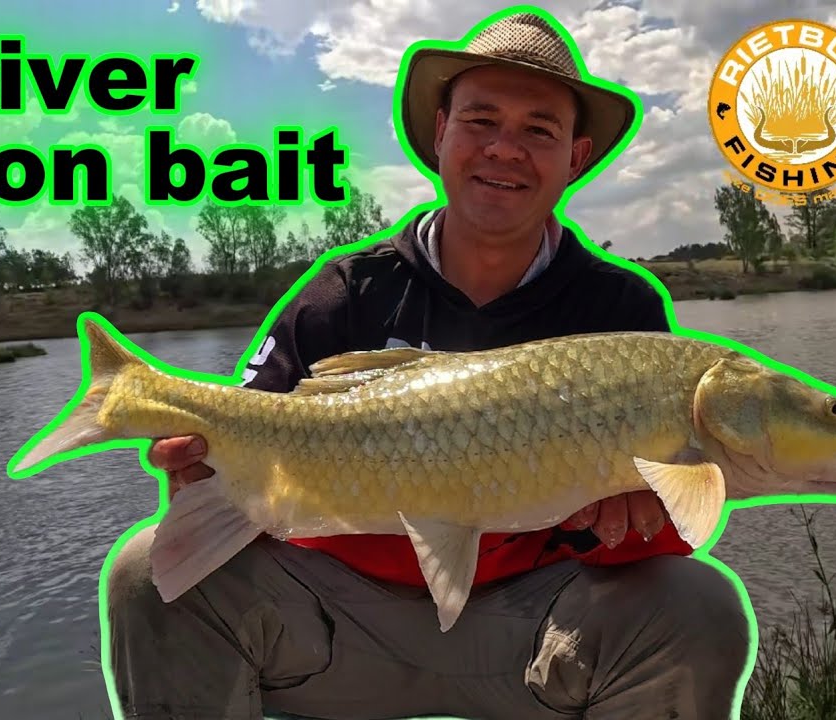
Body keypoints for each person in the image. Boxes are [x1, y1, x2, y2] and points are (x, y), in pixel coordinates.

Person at [105, 11, 751, 720]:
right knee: (146, 572)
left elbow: (665, 526)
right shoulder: (342, 296)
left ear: (575, 157)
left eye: (539, 130)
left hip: (536, 637)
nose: (505, 149)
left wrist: (645, 518)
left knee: (702, 605)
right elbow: (232, 476)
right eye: (481, 120)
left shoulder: (621, 308)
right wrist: (202, 469)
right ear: (441, 133)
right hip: (337, 628)